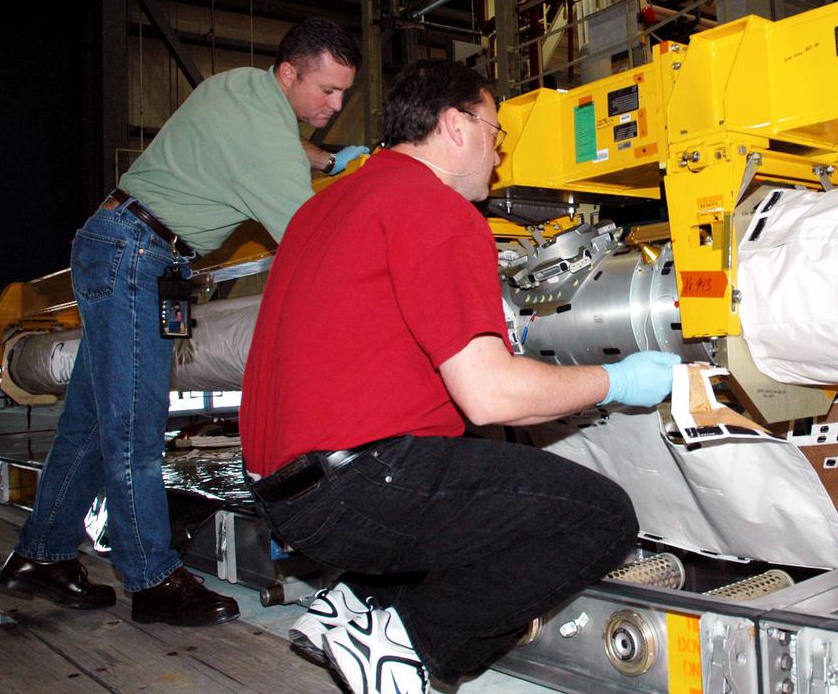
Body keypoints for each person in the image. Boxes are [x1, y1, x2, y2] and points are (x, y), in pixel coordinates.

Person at [240, 59, 677, 694]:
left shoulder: (326, 206)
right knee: (598, 516)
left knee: (464, 463)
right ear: (454, 125)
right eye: (495, 134)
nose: (498, 157)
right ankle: (409, 641)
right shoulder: (434, 207)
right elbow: (491, 395)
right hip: (352, 490)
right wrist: (620, 381)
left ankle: (351, 604)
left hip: (282, 494)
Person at [0, 17, 367, 627]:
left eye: (344, 93)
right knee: (135, 429)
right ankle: (152, 580)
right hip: (136, 257)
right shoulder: (262, 133)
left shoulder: (242, 89)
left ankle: (43, 554)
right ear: (288, 73)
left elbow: (281, 143)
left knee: (92, 421)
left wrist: (327, 160)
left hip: (120, 246)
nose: (335, 105)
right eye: (326, 90)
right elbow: (310, 241)